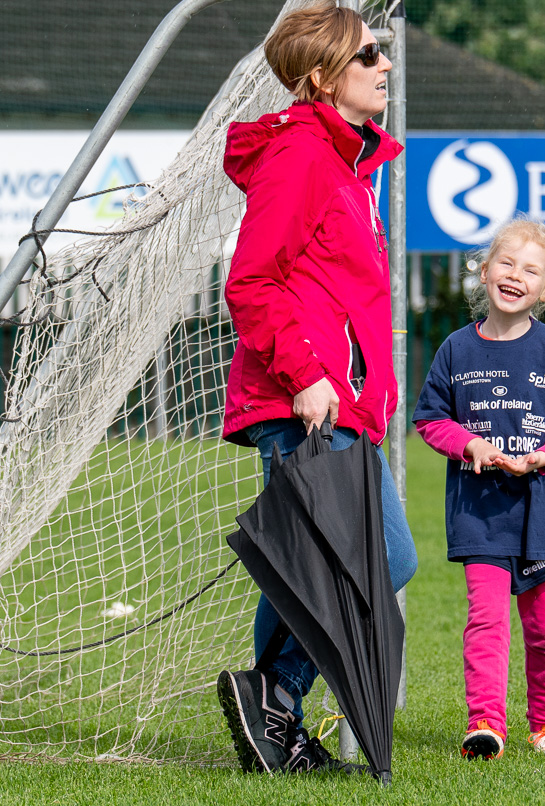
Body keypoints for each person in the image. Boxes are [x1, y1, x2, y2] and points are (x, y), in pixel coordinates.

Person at [214, 1, 417, 775]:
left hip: (339, 405)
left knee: (324, 564)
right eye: (369, 56)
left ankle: (273, 711)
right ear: (322, 77)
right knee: (379, 562)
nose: (385, 66)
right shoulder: (301, 154)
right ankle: (272, 695)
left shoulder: (345, 160)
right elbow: (251, 282)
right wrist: (306, 373)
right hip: (303, 403)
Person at [412, 216, 545, 760]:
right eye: (507, 262)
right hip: (481, 512)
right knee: (486, 622)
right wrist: (467, 445)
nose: (516, 275)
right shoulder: (455, 350)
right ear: (485, 268)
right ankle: (486, 724)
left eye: (531, 270)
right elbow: (430, 419)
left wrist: (543, 456)